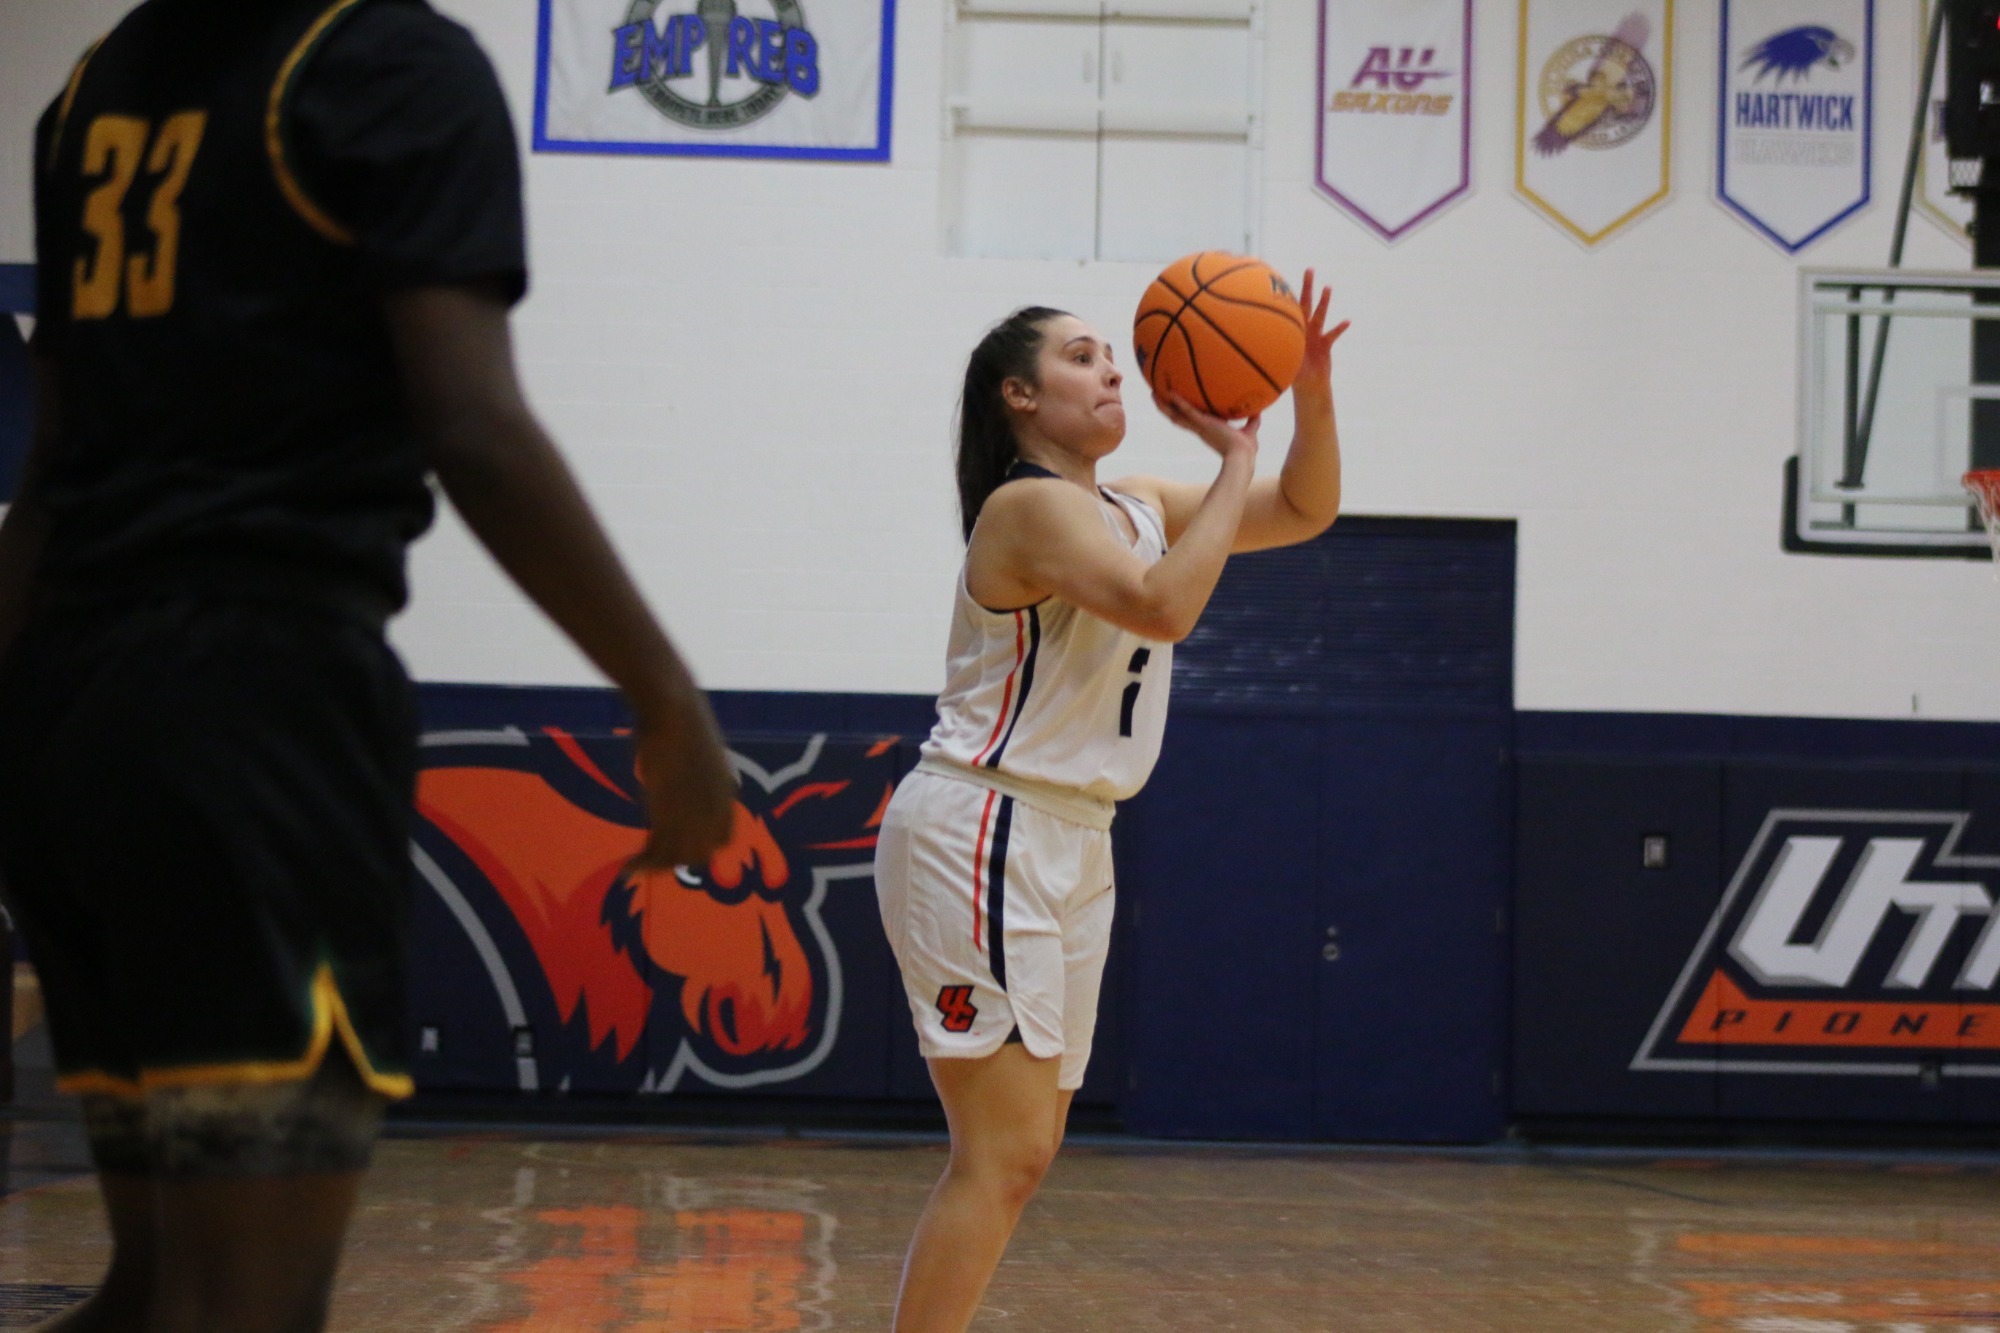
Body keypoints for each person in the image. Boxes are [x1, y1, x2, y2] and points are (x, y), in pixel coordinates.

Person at [0, 1, 738, 1329]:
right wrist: (665, 697)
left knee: (160, 1280)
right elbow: (477, 427)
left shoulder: (92, 92)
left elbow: (45, 480)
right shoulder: (387, 63)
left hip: (67, 716)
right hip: (252, 717)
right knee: (246, 1307)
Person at [872, 276, 1348, 1331]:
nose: (1109, 368)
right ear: (1019, 396)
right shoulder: (1026, 504)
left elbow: (1308, 508)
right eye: (1080, 355)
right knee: (997, 1157)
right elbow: (1162, 604)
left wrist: (1308, 392)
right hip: (983, 824)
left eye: (1108, 354)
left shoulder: (1132, 500)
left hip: (1072, 832)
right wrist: (1231, 458)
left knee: (1023, 1155)